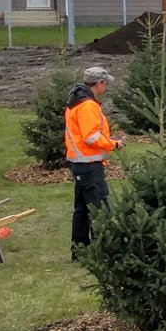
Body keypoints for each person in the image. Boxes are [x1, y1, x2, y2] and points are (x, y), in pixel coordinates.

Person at [63, 65, 120, 255]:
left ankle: (79, 250)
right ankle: (101, 250)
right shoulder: (88, 106)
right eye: (105, 84)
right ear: (99, 83)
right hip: (89, 165)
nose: (106, 88)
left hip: (80, 164)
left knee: (81, 209)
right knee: (98, 207)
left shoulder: (76, 102)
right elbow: (91, 137)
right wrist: (113, 144)